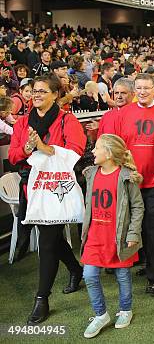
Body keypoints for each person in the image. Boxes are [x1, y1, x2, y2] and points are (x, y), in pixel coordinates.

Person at [8, 74, 86, 324]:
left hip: (57, 187)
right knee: (49, 236)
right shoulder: (21, 123)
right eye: (34, 91)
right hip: (32, 188)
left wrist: (45, 148)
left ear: (55, 94)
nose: (37, 95)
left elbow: (76, 151)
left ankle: (42, 298)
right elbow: (13, 156)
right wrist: (28, 149)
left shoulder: (67, 119)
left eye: (43, 91)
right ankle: (75, 269)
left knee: (48, 240)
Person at [109, 73, 154, 295]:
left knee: (152, 227)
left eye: (146, 88)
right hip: (130, 181)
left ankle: (153, 276)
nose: (142, 92)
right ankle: (138, 261)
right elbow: (117, 146)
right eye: (138, 88)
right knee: (130, 225)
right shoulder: (124, 114)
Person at [80, 134, 144, 338]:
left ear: (108, 153)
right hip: (94, 236)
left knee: (122, 276)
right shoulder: (90, 173)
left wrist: (133, 233)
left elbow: (137, 206)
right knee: (89, 275)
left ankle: (126, 310)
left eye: (97, 148)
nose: (92, 152)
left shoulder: (126, 176)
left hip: (118, 237)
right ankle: (101, 315)